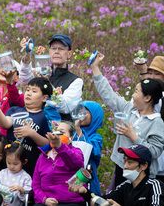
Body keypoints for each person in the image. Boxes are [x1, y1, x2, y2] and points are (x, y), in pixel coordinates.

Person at [91, 53, 164, 185]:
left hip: (142, 174)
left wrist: (133, 136)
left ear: (147, 98)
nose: (133, 95)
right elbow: (109, 95)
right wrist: (95, 68)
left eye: (136, 92)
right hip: (122, 166)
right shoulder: (128, 109)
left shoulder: (157, 122)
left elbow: (154, 152)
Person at [0, 77, 52, 175]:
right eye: (28, 90)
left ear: (44, 98)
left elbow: (48, 144)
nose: (29, 93)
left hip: (29, 167)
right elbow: (4, 123)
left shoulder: (45, 117)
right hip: (7, 165)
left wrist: (32, 133)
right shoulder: (15, 110)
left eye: (34, 91)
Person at [69, 144, 164, 206]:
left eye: (130, 162)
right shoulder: (125, 186)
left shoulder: (154, 185)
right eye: (124, 160)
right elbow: (102, 201)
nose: (125, 166)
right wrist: (84, 192)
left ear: (144, 166)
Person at [32, 121, 84, 206]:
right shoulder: (42, 156)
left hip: (70, 202)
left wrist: (60, 146)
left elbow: (77, 163)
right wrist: (44, 199)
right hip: (46, 202)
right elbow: (35, 185)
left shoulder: (76, 152)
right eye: (55, 132)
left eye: (61, 132)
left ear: (70, 137)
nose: (56, 135)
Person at [72, 101, 104, 195]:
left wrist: (79, 131)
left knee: (82, 197)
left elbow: (90, 150)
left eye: (85, 112)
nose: (81, 114)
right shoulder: (73, 133)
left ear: (95, 117)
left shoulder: (96, 138)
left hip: (86, 177)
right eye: (80, 110)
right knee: (69, 194)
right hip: (70, 172)